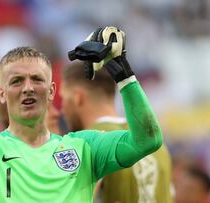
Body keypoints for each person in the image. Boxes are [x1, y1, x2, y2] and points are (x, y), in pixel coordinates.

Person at [0, 21, 163, 202]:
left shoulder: (84, 148)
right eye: (17, 81)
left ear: (52, 91)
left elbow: (147, 140)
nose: (28, 88)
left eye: (37, 80)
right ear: (1, 93)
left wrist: (122, 73)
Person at [60, 62, 173, 203]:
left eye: (63, 98)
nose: (62, 109)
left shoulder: (88, 146)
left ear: (77, 97)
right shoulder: (159, 147)